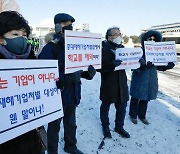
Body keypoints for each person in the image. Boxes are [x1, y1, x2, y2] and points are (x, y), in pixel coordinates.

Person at [38, 13, 96, 154]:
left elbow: (79, 67)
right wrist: (61, 80)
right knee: (54, 127)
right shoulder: (50, 48)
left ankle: (71, 146)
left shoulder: (77, 46)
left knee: (71, 124)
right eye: (65, 23)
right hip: (57, 96)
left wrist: (87, 73)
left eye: (71, 24)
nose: (69, 26)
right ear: (57, 26)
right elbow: (43, 74)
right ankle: (53, 151)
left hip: (73, 94)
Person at [0, 11, 42, 154]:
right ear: (1, 39)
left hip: (32, 139)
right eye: (15, 35)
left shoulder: (34, 63)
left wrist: (54, 87)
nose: (22, 39)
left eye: (24, 35)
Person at [129, 30, 175, 125]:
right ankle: (133, 115)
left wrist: (167, 66)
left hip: (151, 79)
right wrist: (144, 66)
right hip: (140, 78)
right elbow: (133, 66)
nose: (152, 40)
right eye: (150, 38)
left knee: (146, 98)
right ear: (145, 40)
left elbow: (159, 66)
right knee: (136, 97)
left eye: (154, 39)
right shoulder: (139, 51)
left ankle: (142, 115)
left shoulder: (158, 52)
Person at [99, 27, 130, 139]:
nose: (119, 36)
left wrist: (138, 61)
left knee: (122, 108)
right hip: (109, 84)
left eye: (119, 34)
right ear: (109, 37)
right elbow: (99, 68)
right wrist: (111, 64)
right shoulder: (103, 50)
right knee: (105, 107)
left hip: (122, 83)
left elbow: (130, 63)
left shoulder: (123, 49)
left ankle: (119, 126)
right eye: (115, 34)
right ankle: (105, 127)